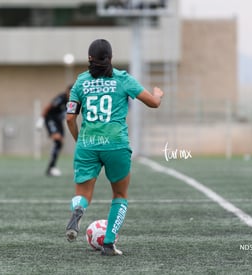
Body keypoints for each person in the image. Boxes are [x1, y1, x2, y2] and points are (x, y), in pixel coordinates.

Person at [65, 39, 164, 256]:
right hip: (116, 145)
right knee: (120, 194)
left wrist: (80, 140)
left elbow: (70, 118)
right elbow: (153, 103)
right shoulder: (122, 79)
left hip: (88, 144)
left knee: (82, 194)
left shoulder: (80, 82)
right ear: (110, 58)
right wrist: (158, 93)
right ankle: (109, 244)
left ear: (89, 58)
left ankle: (78, 209)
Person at [36, 85, 71, 176]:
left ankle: (51, 167)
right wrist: (41, 120)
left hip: (59, 122)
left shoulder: (73, 100)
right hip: (50, 119)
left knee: (59, 143)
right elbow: (48, 107)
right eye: (69, 92)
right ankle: (51, 167)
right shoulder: (61, 98)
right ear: (67, 91)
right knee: (57, 139)